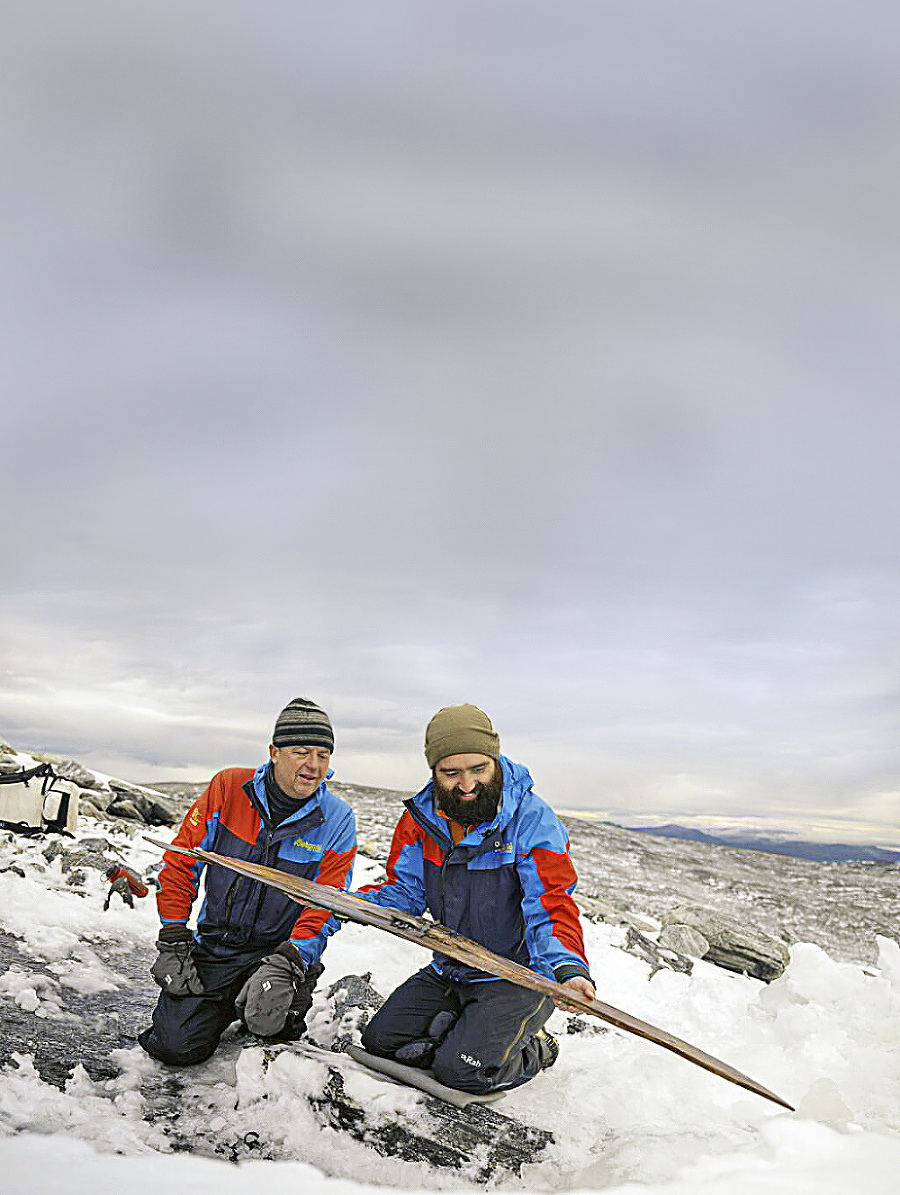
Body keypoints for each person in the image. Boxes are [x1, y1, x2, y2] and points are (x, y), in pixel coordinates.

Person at [354, 703, 594, 1094]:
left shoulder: (532, 821)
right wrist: (353, 903)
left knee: (461, 1073)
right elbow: (407, 892)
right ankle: (465, 1028)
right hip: (452, 968)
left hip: (519, 978)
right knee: (381, 1043)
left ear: (495, 763)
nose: (466, 785)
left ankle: (538, 1048)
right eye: (451, 773)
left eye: (478, 770)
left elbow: (550, 901)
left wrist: (567, 968)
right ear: (434, 773)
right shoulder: (421, 821)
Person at [139, 698, 357, 1066]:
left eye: (323, 755)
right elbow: (182, 861)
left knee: (269, 1028)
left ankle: (287, 990)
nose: (313, 765)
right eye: (301, 752)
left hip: (277, 952)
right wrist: (174, 935)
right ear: (274, 752)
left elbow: (327, 902)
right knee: (175, 1046)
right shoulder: (229, 788)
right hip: (218, 946)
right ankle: (227, 999)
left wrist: (292, 957)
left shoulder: (335, 818)